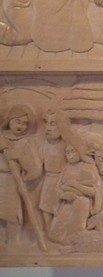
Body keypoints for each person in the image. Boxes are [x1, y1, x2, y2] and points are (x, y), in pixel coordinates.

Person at [0, 103, 43, 248]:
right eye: (18, 121)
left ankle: (14, 243)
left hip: (12, 182)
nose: (21, 126)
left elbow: (35, 168)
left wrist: (18, 157)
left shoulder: (25, 143)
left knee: (11, 214)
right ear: (9, 120)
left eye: (25, 123)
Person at [48, 139, 103, 246]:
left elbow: (93, 191)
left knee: (74, 235)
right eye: (67, 152)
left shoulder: (89, 167)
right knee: (54, 235)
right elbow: (58, 187)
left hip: (81, 203)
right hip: (66, 202)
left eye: (73, 151)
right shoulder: (67, 168)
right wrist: (63, 195)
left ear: (80, 151)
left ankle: (76, 240)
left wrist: (75, 185)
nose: (70, 155)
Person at [37, 109, 72, 230]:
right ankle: (48, 235)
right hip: (48, 182)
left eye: (52, 124)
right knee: (46, 209)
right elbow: (37, 167)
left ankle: (57, 234)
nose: (47, 128)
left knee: (60, 211)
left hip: (63, 182)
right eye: (46, 123)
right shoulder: (43, 146)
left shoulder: (67, 145)